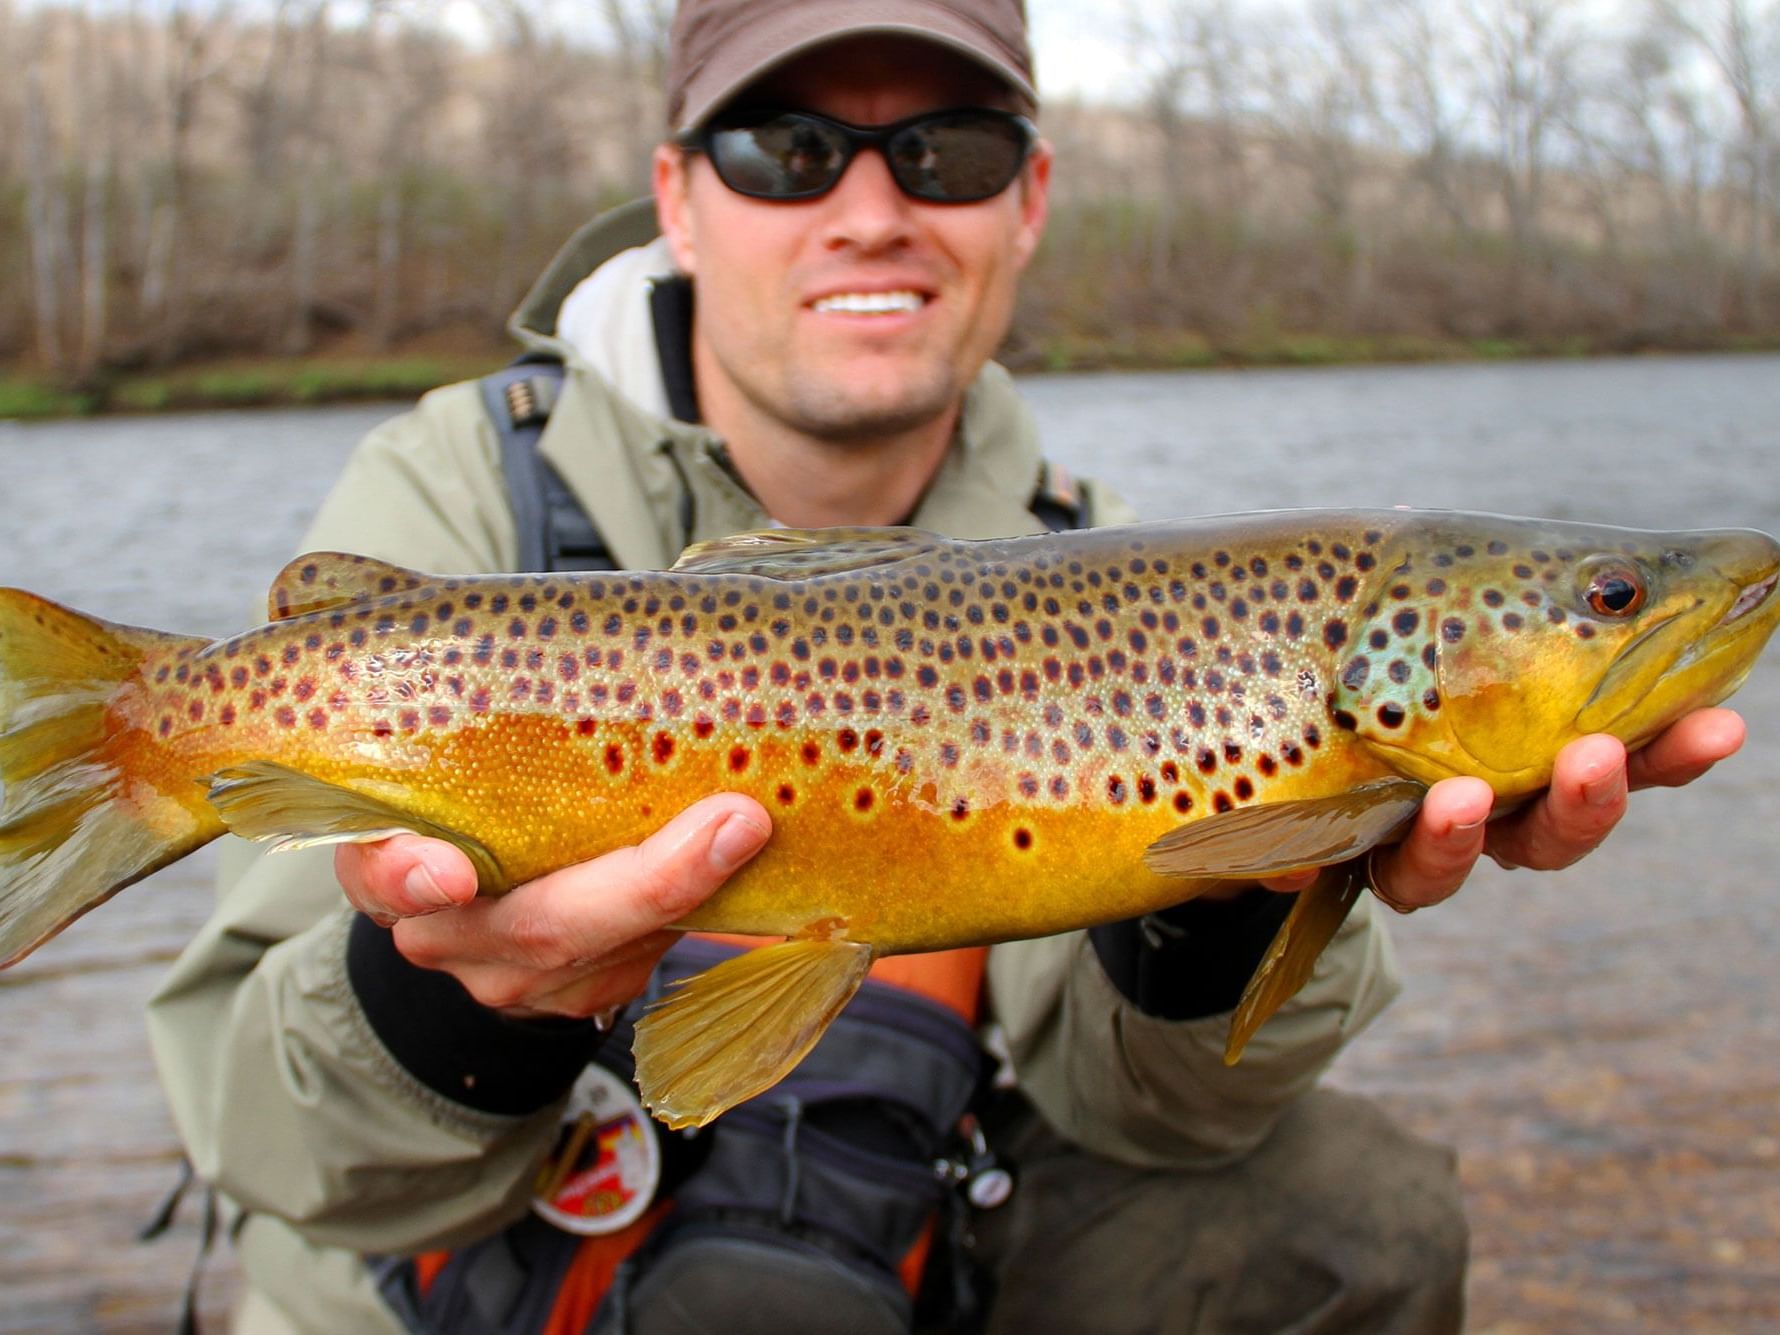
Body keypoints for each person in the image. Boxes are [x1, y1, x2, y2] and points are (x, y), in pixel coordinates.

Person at [146, 2, 1748, 1331]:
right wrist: (449, 995)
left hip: (917, 1209)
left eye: (947, 149)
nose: (870, 206)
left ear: (1030, 199)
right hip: (492, 1250)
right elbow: (266, 1140)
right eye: (788, 148)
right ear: (678, 196)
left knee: (1359, 1218)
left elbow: (1172, 1118)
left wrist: (1228, 897)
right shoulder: (455, 496)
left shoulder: (1119, 559)